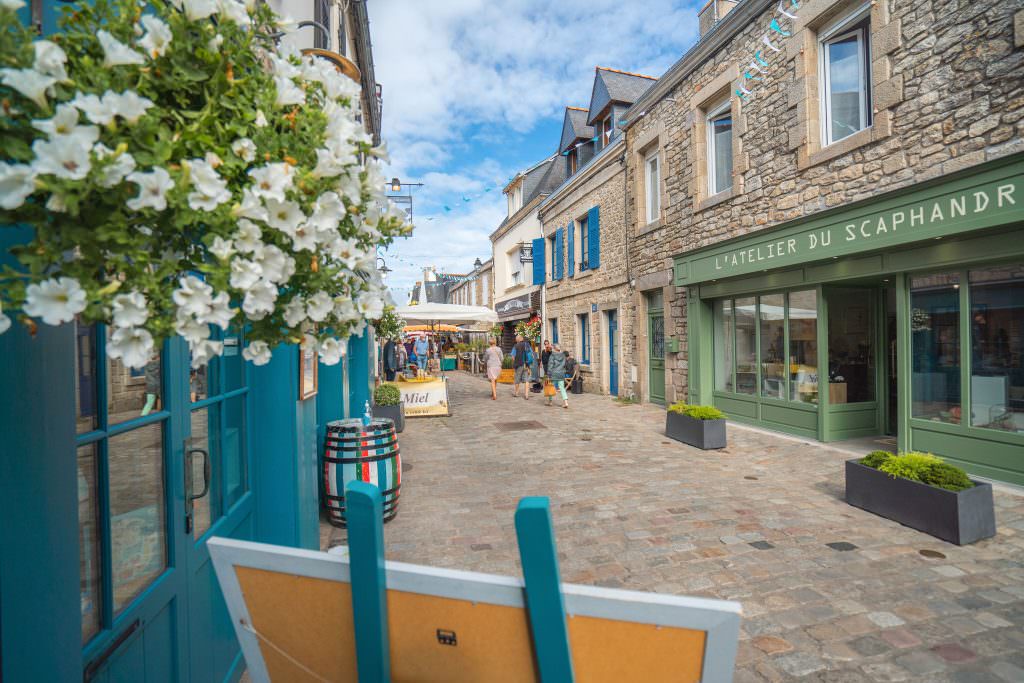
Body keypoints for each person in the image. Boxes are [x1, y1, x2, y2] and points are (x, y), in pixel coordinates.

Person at [546, 343, 569, 408]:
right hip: (561, 373)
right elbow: (565, 365)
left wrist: (548, 374)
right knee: (562, 388)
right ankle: (566, 402)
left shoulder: (552, 356)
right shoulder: (563, 355)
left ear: (554, 349)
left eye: (552, 348)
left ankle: (550, 402)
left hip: (553, 374)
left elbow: (550, 366)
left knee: (550, 387)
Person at [511, 334, 533, 400]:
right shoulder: (527, 345)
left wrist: (515, 362)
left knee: (517, 378)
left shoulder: (516, 346)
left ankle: (516, 393)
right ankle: (526, 394)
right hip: (526, 365)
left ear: (517, 340)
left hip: (519, 365)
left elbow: (513, 357)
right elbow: (531, 354)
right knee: (526, 379)